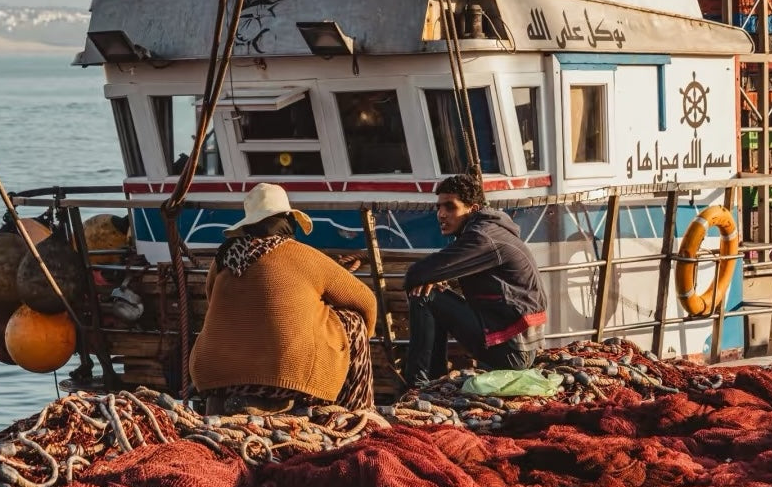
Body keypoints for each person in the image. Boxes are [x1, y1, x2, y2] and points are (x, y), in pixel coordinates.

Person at [189, 183, 379, 412]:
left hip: (214, 375)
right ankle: (355, 412)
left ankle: (238, 398)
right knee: (354, 322)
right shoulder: (304, 255)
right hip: (287, 377)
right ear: (288, 220)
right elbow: (366, 301)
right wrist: (335, 337)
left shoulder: (222, 258)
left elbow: (214, 302)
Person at [404, 173, 547, 387]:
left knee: (424, 296)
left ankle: (416, 384)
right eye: (439, 207)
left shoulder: (482, 237)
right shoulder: (489, 230)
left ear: (472, 208)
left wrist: (430, 280)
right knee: (430, 292)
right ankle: (432, 378)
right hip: (518, 346)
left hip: (513, 352)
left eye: (450, 207)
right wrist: (436, 280)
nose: (441, 215)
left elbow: (414, 275)